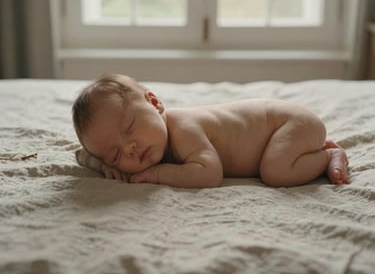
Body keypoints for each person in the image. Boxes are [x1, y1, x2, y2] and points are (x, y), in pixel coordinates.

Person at [72, 74, 350, 188]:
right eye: (116, 155)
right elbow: (82, 154)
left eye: (130, 128)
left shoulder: (183, 128)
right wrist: (99, 162)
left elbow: (210, 173)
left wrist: (155, 174)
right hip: (287, 130)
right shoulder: (145, 144)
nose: (130, 149)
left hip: (287, 123)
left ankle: (327, 155)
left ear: (155, 104)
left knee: (276, 172)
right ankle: (310, 150)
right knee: (276, 166)